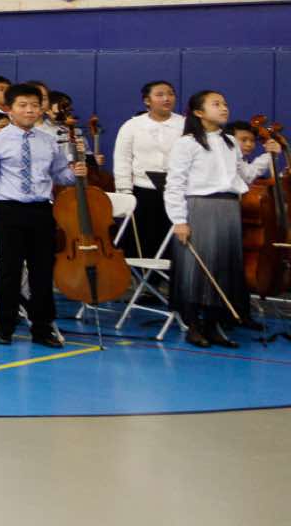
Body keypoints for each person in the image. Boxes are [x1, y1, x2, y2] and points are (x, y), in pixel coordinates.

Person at [0, 81, 86, 348]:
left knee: (42, 272)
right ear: (10, 109)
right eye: (23, 105)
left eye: (35, 105)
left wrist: (75, 173)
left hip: (41, 209)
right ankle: (5, 327)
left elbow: (60, 174)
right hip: (8, 209)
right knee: (8, 271)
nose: (30, 110)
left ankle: (42, 328)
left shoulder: (49, 141)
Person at [166, 89, 279, 346]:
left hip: (228, 209)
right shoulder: (187, 143)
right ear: (198, 112)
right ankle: (193, 326)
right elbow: (175, 184)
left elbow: (245, 176)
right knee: (196, 269)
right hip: (200, 208)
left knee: (223, 269)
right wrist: (179, 220)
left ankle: (213, 326)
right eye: (216, 104)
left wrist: (268, 156)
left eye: (225, 103)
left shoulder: (230, 142)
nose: (224, 108)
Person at [112, 79, 183, 256]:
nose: (167, 98)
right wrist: (125, 192)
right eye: (160, 95)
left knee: (172, 242)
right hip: (142, 191)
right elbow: (122, 159)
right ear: (147, 100)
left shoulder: (185, 124)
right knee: (141, 240)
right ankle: (141, 272)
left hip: (176, 191)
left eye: (171, 94)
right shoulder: (132, 125)